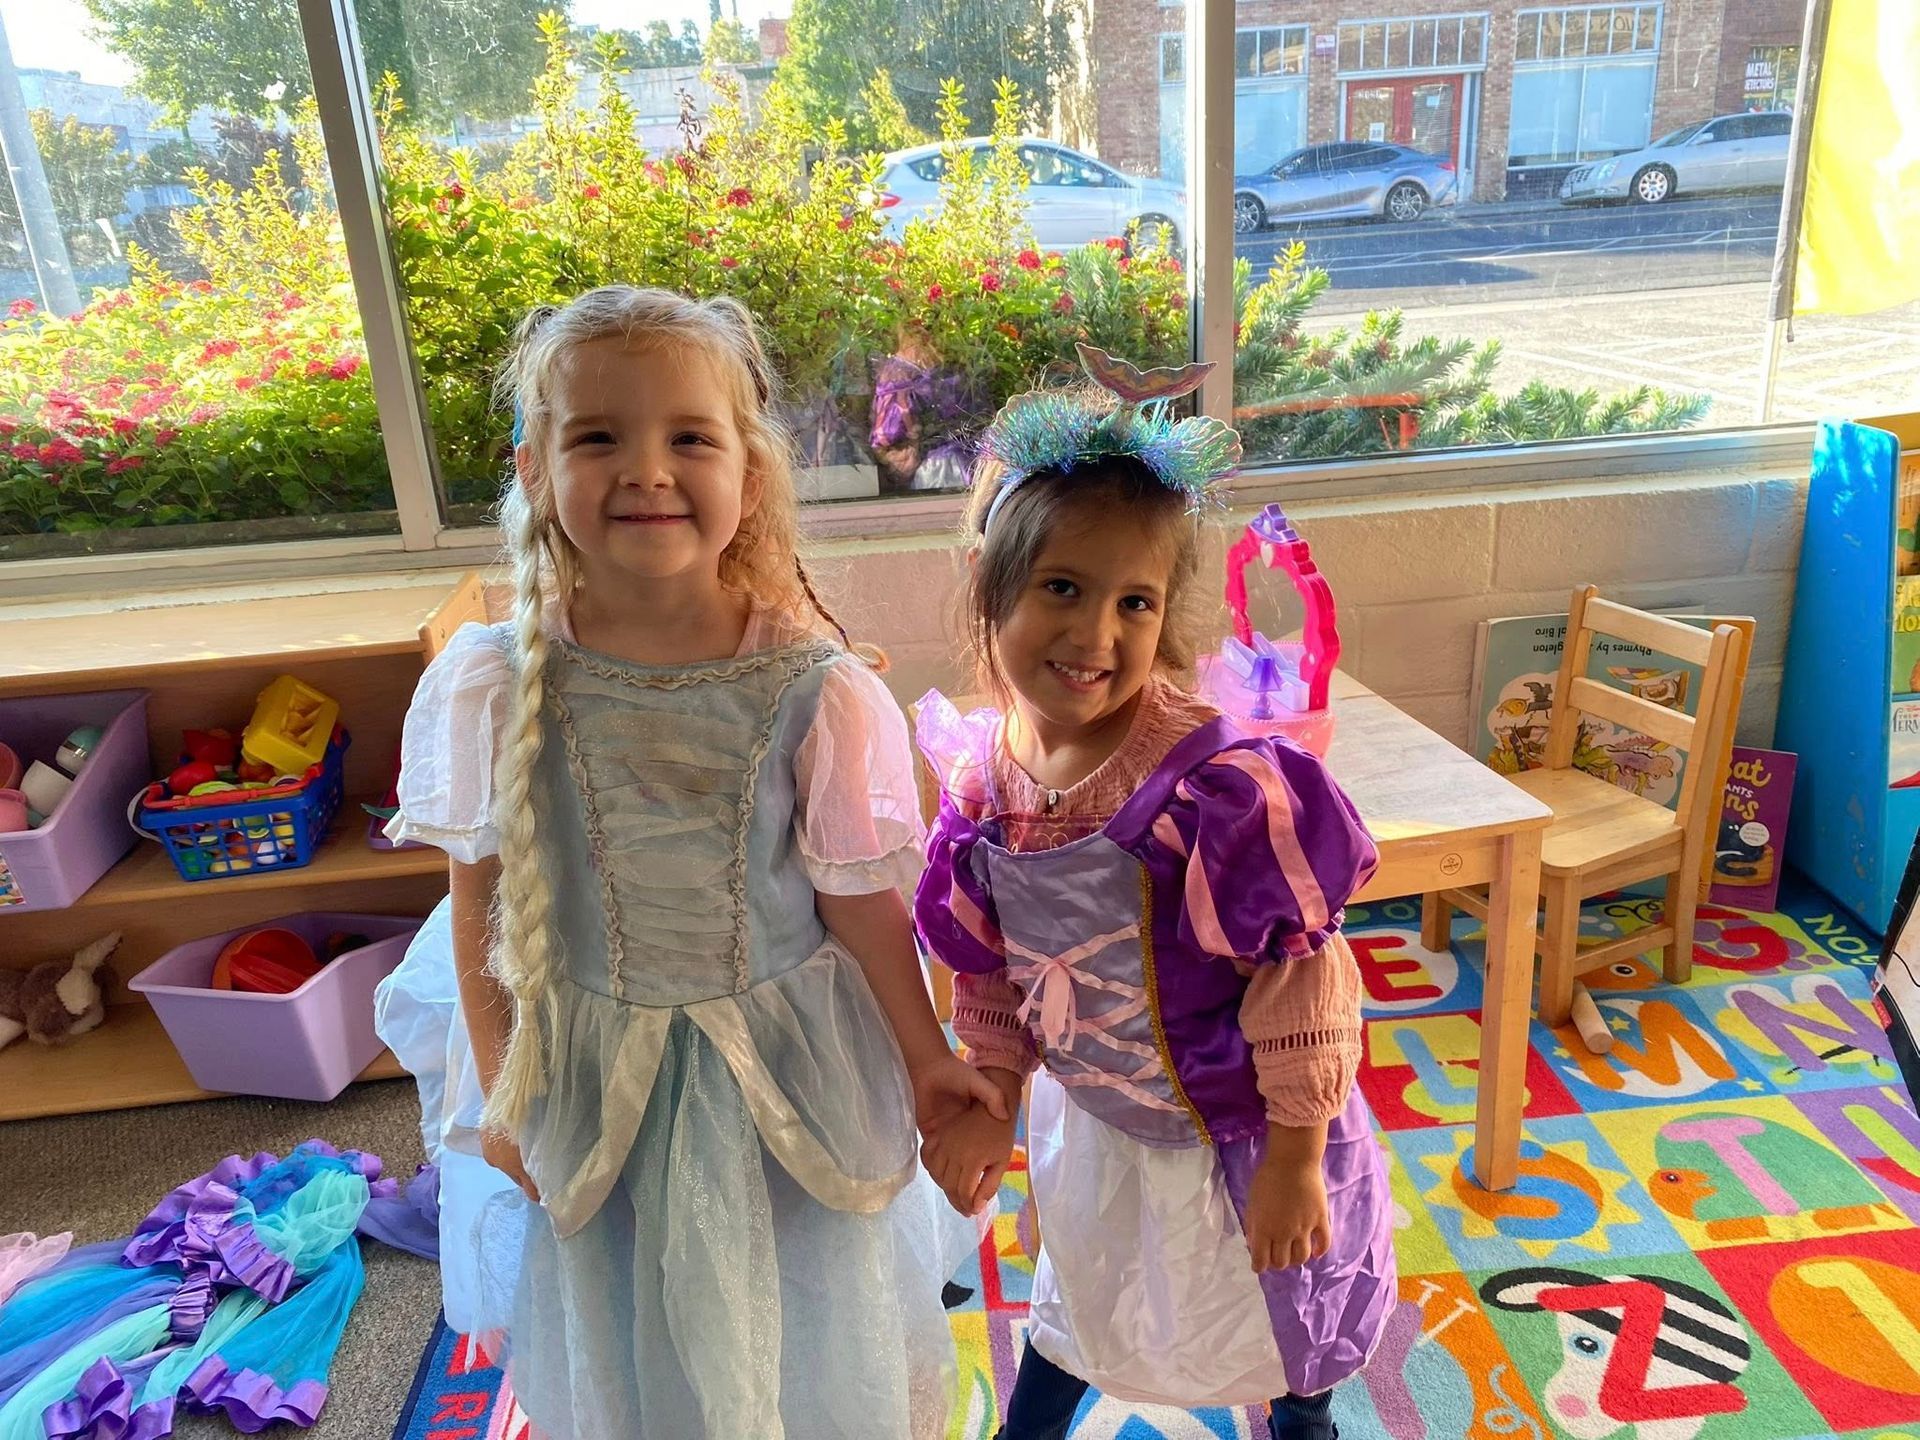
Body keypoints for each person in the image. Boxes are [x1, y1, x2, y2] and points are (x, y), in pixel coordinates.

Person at [379, 285, 1000, 1439]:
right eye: (598, 436)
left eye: (690, 438)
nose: (647, 471)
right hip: (594, 1066)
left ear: (750, 476)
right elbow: (481, 914)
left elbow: (860, 905)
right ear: (533, 470)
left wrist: (926, 1060)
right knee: (637, 1317)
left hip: (785, 1070)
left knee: (804, 1301)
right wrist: (503, 1087)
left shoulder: (813, 684)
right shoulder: (495, 680)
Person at [914, 345, 1397, 1440]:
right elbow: (985, 964)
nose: (1096, 635)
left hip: (1245, 1127)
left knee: (1276, 1294)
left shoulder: (1216, 791)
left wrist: (1293, 1158)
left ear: (1168, 615)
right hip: (1101, 1125)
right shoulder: (985, 785)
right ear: (993, 586)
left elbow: (1302, 977)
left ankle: (1302, 1415)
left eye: (1135, 601)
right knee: (1087, 1295)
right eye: (1062, 589)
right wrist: (991, 1088)